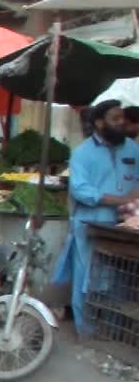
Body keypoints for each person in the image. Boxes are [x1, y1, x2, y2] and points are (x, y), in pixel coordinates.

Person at [52, 100, 139, 336]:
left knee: (122, 280)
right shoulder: (82, 153)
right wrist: (117, 200)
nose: (122, 123)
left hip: (126, 225)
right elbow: (80, 190)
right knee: (87, 280)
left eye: (122, 118)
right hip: (90, 224)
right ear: (100, 123)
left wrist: (133, 200)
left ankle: (114, 329)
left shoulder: (132, 148)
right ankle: (86, 331)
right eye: (115, 118)